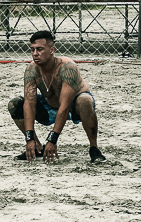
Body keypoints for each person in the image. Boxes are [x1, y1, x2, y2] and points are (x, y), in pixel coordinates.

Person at [8, 30, 105, 164]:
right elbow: (29, 103)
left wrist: (53, 139)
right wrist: (29, 138)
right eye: (32, 50)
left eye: (40, 49)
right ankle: (37, 147)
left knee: (85, 101)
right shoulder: (31, 69)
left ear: (52, 50)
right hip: (50, 107)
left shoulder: (67, 67)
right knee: (15, 104)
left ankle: (94, 149)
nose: (35, 53)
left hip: (73, 107)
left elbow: (65, 106)